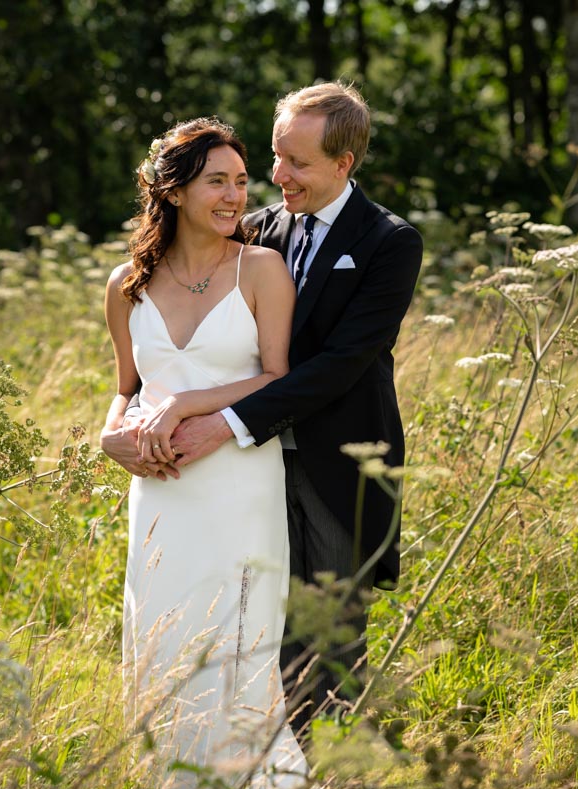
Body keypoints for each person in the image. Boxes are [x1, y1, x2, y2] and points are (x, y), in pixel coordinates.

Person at [104, 82, 424, 735]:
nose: (278, 177)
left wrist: (218, 421)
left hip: (337, 467)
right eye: (276, 157)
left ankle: (336, 775)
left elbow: (339, 366)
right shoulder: (256, 230)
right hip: (250, 476)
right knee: (254, 636)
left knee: (328, 643)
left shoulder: (389, 242)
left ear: (344, 164)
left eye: (297, 163)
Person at [100, 117, 313, 789]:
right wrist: (109, 436)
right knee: (167, 649)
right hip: (161, 496)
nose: (234, 196)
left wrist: (191, 405)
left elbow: (279, 379)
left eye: (241, 182)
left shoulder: (261, 269)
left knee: (238, 647)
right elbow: (126, 390)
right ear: (173, 189)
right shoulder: (126, 284)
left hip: (239, 487)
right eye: (216, 181)